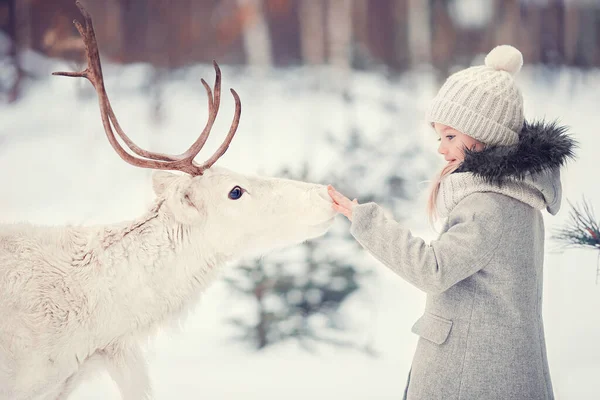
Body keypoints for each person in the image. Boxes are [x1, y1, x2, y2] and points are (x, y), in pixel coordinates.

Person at [327, 45, 576, 400]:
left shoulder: (489, 206)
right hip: (490, 366)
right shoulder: (519, 199)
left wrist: (365, 220)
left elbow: (432, 269)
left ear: (483, 136)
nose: (441, 148)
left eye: (450, 136)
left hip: (471, 374)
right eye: (439, 137)